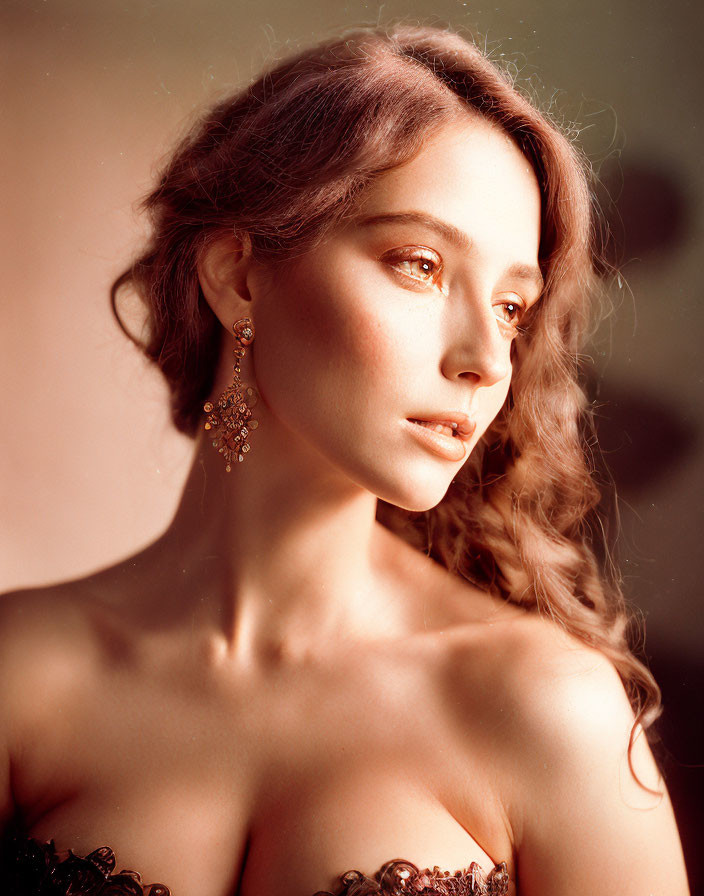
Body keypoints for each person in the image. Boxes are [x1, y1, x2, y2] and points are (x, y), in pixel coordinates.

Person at [0, 23, 689, 896]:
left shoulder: (546, 707)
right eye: (420, 264)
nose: (487, 357)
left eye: (514, 307)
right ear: (238, 277)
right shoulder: (22, 672)